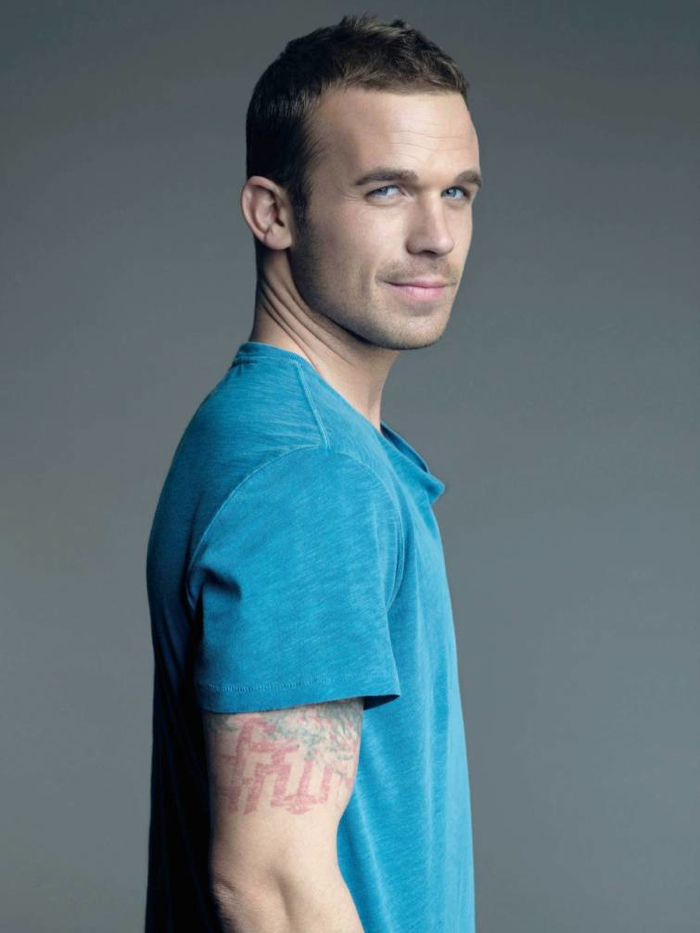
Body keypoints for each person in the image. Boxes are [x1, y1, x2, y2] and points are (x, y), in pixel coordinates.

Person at [145, 11, 482, 932]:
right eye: (387, 190)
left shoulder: (280, 432)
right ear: (274, 212)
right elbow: (273, 887)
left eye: (457, 192)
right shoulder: (311, 472)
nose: (436, 236)